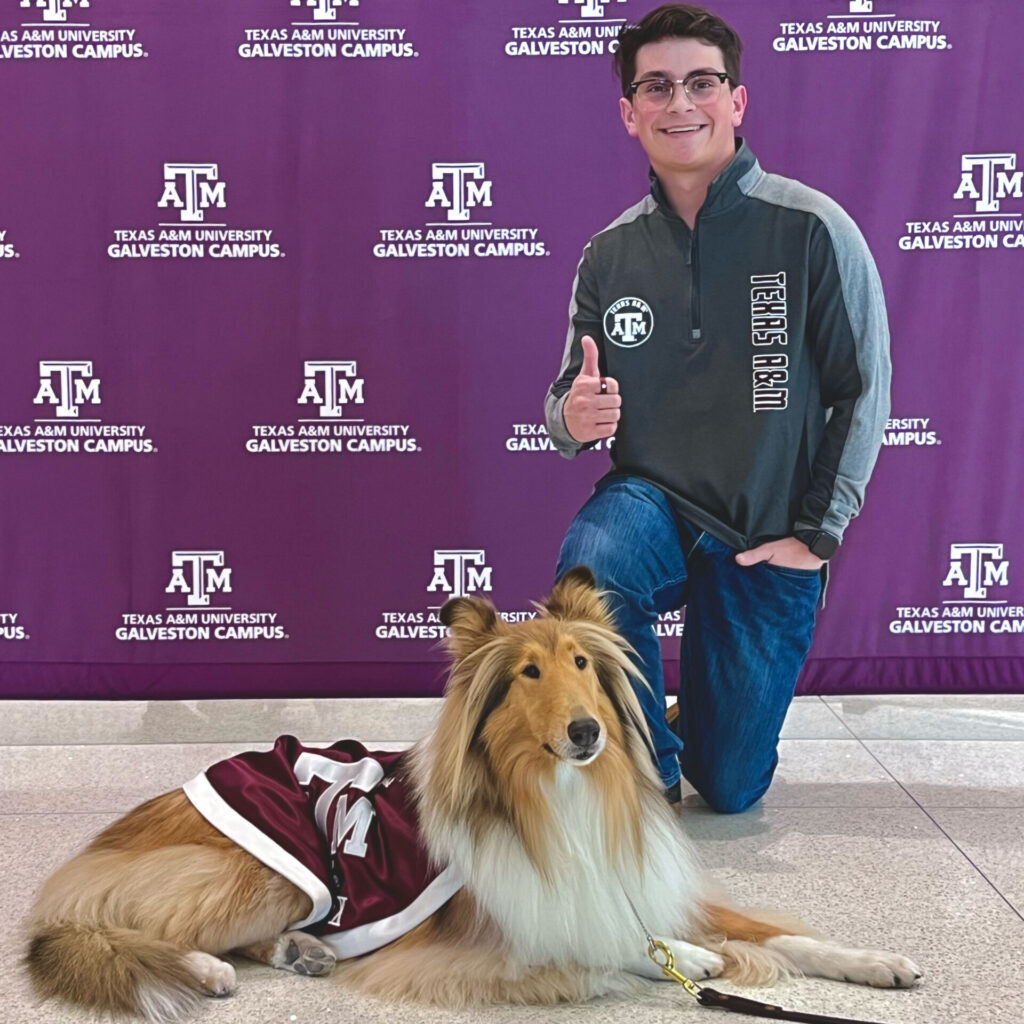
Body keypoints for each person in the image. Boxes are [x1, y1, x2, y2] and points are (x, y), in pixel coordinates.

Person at [544, 3, 890, 813]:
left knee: (732, 785)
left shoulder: (811, 228)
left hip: (766, 528)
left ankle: (693, 721)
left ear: (737, 100)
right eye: (657, 87)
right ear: (630, 114)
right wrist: (574, 416)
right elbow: (565, 400)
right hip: (654, 502)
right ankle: (645, 771)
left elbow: (861, 389)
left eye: (702, 82)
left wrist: (817, 534)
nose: (681, 103)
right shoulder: (609, 252)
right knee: (596, 559)